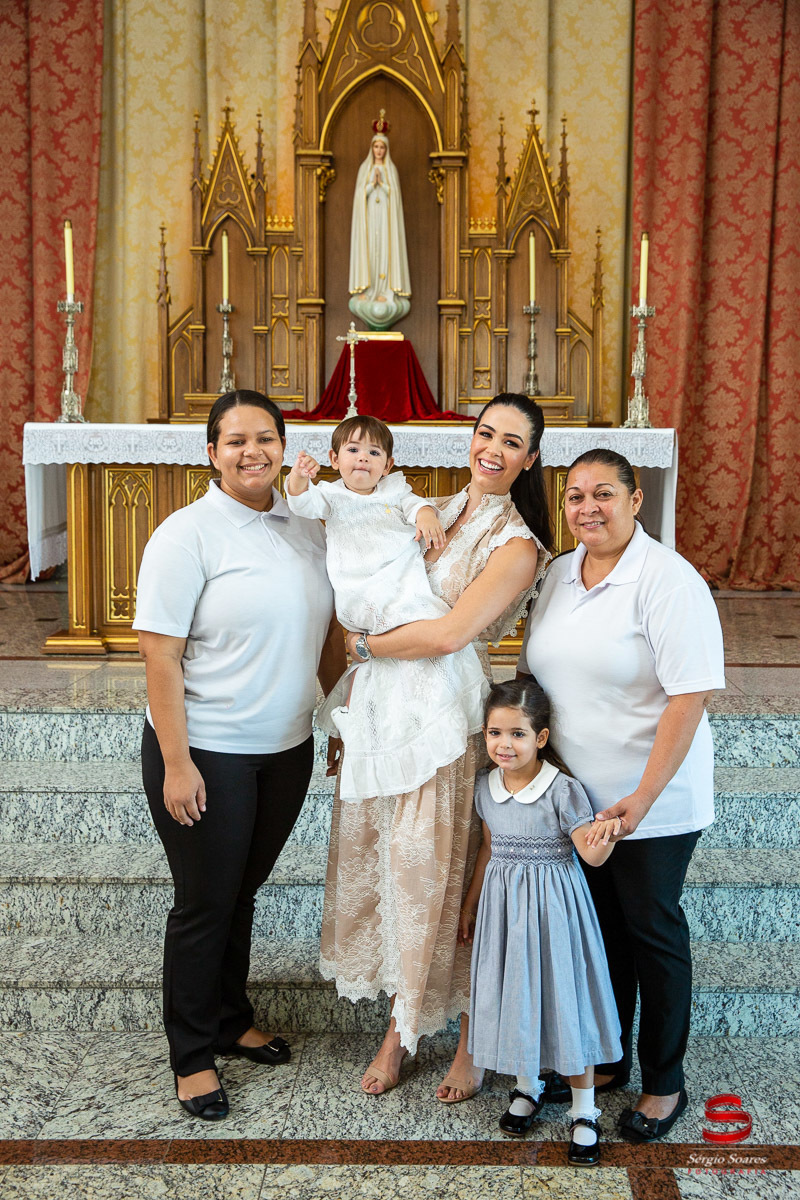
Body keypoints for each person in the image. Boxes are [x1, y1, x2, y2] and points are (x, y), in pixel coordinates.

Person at [321, 393, 553, 1099]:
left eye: (511, 442)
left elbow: (451, 634)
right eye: (486, 433)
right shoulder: (430, 506)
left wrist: (362, 645)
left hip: (445, 722)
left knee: (435, 879)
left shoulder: (516, 544)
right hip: (382, 712)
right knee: (391, 872)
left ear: (530, 459)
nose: (493, 449)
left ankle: (465, 1042)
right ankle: (400, 1028)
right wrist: (349, 700)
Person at [133, 390, 345, 1121]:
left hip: (284, 749)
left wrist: (334, 716)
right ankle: (192, 1055)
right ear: (212, 453)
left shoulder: (307, 527)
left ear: (284, 447)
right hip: (207, 751)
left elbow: (328, 636)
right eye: (235, 441)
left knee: (241, 893)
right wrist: (177, 761)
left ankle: (228, 1019)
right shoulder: (186, 534)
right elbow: (160, 656)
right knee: (204, 904)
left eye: (265, 438)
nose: (252, 452)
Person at [519, 448, 725, 1143]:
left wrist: (642, 797)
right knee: (601, 933)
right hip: (579, 801)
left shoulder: (667, 580)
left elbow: (688, 698)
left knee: (651, 932)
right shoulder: (558, 574)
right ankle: (607, 1060)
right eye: (576, 496)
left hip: (651, 800)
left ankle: (664, 1082)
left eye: (603, 493)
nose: (588, 508)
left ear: (636, 500)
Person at [460, 679, 622, 1165]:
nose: (504, 744)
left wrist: (609, 834)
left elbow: (590, 855)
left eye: (518, 734)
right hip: (505, 914)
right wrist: (471, 904)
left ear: (541, 737)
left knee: (565, 1000)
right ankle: (527, 1087)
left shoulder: (562, 789)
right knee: (517, 993)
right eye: (495, 733)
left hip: (555, 912)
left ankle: (584, 1110)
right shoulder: (484, 787)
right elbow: (489, 848)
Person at [285, 415, 486, 803]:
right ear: (334, 459)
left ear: (388, 465)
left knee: (427, 632)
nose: (363, 458)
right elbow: (301, 501)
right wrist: (298, 477)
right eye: (353, 450)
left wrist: (425, 514)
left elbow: (416, 506)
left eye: (374, 452)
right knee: (396, 641)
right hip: (360, 590)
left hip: (399, 583)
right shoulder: (330, 495)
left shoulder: (395, 491)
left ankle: (436, 707)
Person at [348, 112, 411, 329]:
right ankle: (369, 290)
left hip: (385, 224)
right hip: (369, 224)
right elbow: (359, 198)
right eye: (376, 147)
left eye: (382, 147)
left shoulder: (391, 170)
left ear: (386, 150)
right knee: (370, 254)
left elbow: (395, 199)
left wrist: (382, 185)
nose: (379, 151)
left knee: (384, 252)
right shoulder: (364, 170)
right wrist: (370, 186)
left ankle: (385, 291)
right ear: (372, 148)